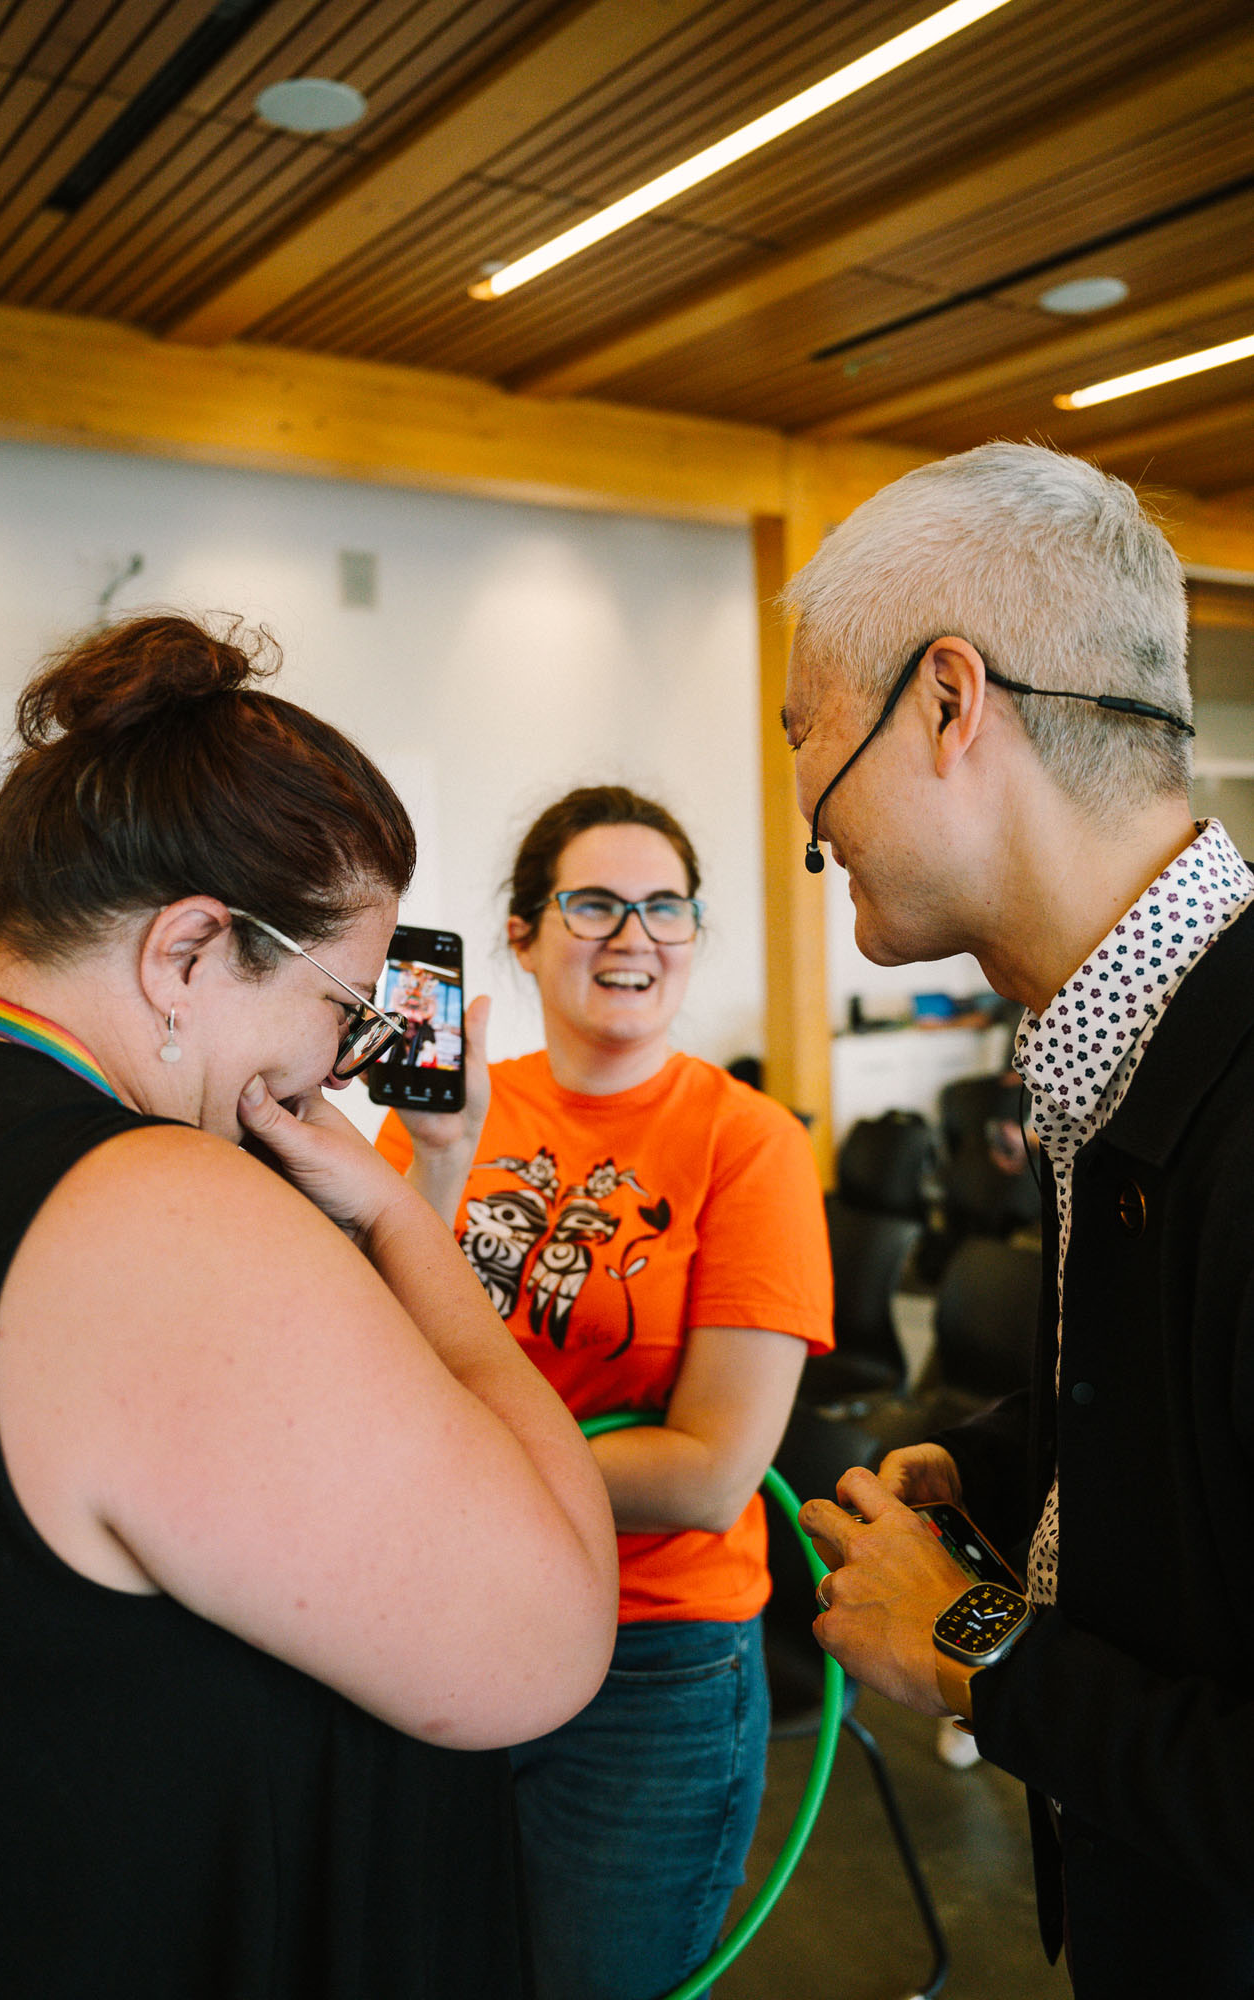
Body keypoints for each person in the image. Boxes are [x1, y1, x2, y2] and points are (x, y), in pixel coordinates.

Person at [0, 614, 618, 1998]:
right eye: (342, 1005)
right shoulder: (152, 1206)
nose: (342, 1067)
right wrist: (400, 1216)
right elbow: (544, 1639)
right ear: (187, 952)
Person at [785, 443, 1254, 1997]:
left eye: (803, 729)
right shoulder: (1109, 1044)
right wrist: (1018, 1467)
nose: (804, 805)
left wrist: (974, 1644)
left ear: (946, 701)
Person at [374, 785, 833, 2000]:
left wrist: (451, 1457)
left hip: (652, 1659)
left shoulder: (749, 1142)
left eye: (664, 906)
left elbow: (709, 1472)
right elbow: (373, 1362)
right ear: (521, 933)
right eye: (592, 903)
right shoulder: (440, 1116)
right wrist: (437, 1158)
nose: (633, 934)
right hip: (451, 1617)